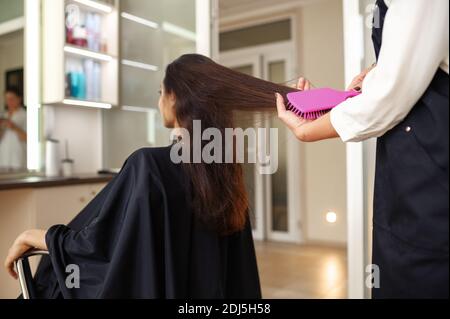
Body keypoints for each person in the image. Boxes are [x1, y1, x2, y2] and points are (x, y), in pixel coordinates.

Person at [4, 54, 298, 299]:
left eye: (161, 92)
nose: (159, 101)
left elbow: (96, 247)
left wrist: (37, 236)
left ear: (174, 98)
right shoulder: (225, 174)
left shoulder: (150, 165)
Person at [276, 0, 449, 298]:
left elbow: (391, 94)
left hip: (432, 173)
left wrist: (308, 130)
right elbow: (396, 79)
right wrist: (359, 90)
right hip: (407, 165)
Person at [0, 87, 27, 171]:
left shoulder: (25, 115)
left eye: (12, 99)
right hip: (3, 158)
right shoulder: (4, 115)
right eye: (7, 99)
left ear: (19, 99)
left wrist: (14, 127)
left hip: (18, 158)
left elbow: (29, 138)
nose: (9, 102)